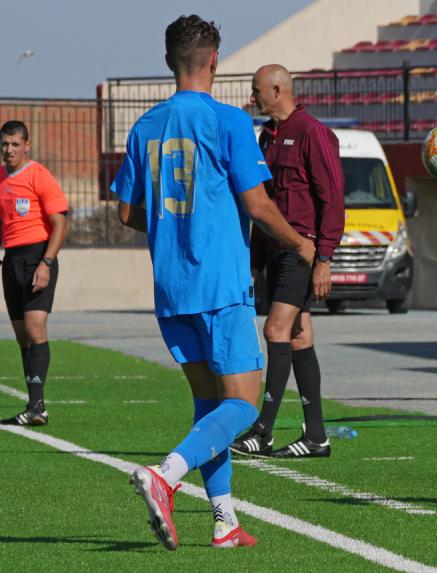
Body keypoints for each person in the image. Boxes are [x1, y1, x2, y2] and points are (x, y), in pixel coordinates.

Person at [113, 15, 315, 550]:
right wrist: (299, 243)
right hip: (220, 284)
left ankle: (224, 521)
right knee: (244, 404)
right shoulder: (228, 122)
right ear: (215, 61)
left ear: (168, 61)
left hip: (171, 288)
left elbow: (126, 212)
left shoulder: (145, 125)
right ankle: (165, 474)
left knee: (210, 405)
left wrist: (172, 224)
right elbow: (258, 204)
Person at [230, 64, 345, 459]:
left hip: (302, 251)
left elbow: (333, 198)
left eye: (256, 90)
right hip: (275, 251)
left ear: (277, 90)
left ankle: (263, 431)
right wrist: (255, 261)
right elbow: (264, 204)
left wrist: (324, 258)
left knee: (275, 330)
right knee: (298, 336)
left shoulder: (312, 132)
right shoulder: (266, 136)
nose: (252, 98)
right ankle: (316, 437)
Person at [0, 120, 68, 426]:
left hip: (37, 256)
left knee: (35, 327)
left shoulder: (39, 175)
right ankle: (33, 407)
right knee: (21, 335)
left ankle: (38, 406)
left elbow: (60, 223)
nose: (9, 150)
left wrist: (46, 263)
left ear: (27, 145)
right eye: (5, 144)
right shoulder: (1, 177)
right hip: (12, 259)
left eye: (15, 144)